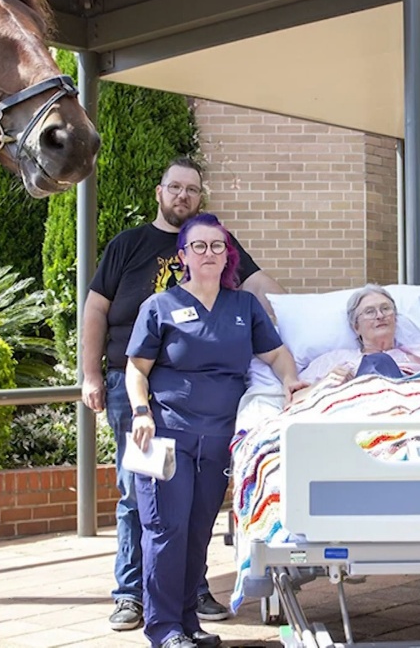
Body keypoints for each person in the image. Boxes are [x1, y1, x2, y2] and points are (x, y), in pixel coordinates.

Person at [80, 157, 285, 631]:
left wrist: (313, 314)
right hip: (130, 384)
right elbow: (95, 308)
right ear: (160, 191)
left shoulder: (217, 243)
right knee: (140, 493)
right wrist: (91, 374)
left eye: (192, 190)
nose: (183, 196)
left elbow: (260, 287)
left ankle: (190, 595)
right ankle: (132, 594)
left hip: (200, 398)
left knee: (194, 504)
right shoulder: (128, 245)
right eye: (175, 187)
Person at [127, 213, 304, 648]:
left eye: (217, 246)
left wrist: (291, 382)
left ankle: (187, 622)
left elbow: (277, 355)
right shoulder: (160, 307)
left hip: (220, 440)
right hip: (167, 435)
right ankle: (163, 628)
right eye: (200, 246)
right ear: (183, 255)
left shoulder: (243, 307)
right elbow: (136, 368)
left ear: (228, 255)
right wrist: (140, 412)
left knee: (197, 530)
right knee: (166, 530)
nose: (209, 254)